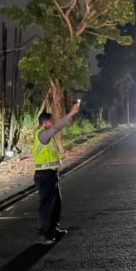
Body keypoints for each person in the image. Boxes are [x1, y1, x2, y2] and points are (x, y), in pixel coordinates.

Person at [33, 103, 80, 245]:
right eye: (51, 121)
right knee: (47, 205)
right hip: (44, 175)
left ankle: (53, 229)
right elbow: (56, 127)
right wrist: (71, 113)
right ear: (46, 122)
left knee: (55, 204)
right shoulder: (42, 134)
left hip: (50, 174)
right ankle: (43, 234)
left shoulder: (46, 137)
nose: (53, 123)